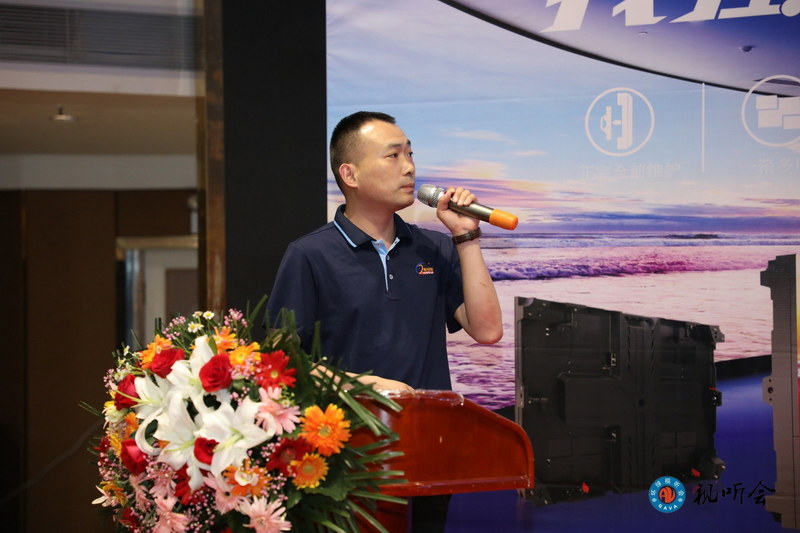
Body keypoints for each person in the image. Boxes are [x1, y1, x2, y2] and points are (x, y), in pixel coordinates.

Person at [266, 111, 503, 531]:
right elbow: (281, 364)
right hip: (345, 455)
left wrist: (465, 237)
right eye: (393, 155)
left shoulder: (433, 248)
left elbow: (487, 330)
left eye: (410, 154)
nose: (409, 167)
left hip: (428, 446)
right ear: (350, 174)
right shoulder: (309, 255)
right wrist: (364, 386)